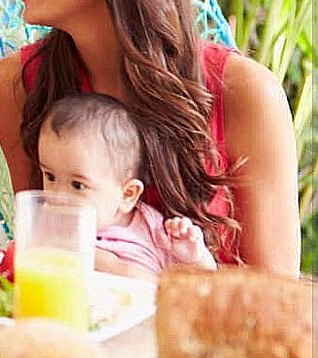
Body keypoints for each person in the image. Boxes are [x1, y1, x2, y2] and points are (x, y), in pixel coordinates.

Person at [0, 0, 300, 276]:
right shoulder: (18, 84)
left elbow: (275, 294)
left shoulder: (244, 92)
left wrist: (142, 280)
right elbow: (44, 254)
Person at [39, 93, 216, 278]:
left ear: (127, 195)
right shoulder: (49, 228)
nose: (58, 196)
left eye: (77, 185)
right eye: (50, 177)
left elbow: (205, 283)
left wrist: (194, 257)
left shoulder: (153, 231)